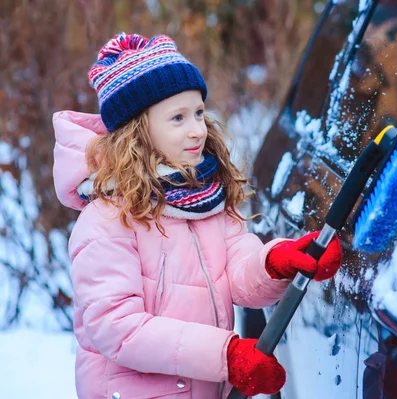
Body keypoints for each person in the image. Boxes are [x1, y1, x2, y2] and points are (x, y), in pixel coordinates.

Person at [52, 33, 342, 399]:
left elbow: (237, 272)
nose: (198, 130)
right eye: (178, 117)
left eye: (200, 113)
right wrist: (227, 356)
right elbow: (116, 327)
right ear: (137, 132)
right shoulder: (108, 219)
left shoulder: (205, 197)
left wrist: (276, 262)